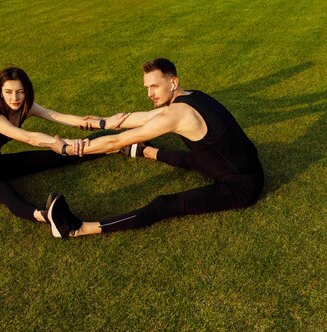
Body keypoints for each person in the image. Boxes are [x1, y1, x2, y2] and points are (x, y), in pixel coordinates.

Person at [47, 58, 264, 238]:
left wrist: (70, 149)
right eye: (147, 87)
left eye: (154, 86)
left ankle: (79, 228)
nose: (149, 93)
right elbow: (146, 117)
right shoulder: (192, 95)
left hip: (241, 187)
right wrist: (102, 122)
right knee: (192, 158)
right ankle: (144, 151)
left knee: (166, 204)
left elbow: (117, 141)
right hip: (243, 165)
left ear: (173, 82)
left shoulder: (178, 115)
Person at [0, 67, 129, 222]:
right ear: (0, 92)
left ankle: (114, 147)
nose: (15, 98)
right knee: (6, 193)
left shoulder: (26, 107)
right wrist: (64, 144)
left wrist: (102, 123)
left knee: (57, 157)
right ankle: (45, 215)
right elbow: (30, 138)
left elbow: (57, 116)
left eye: (20, 92)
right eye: (9, 92)